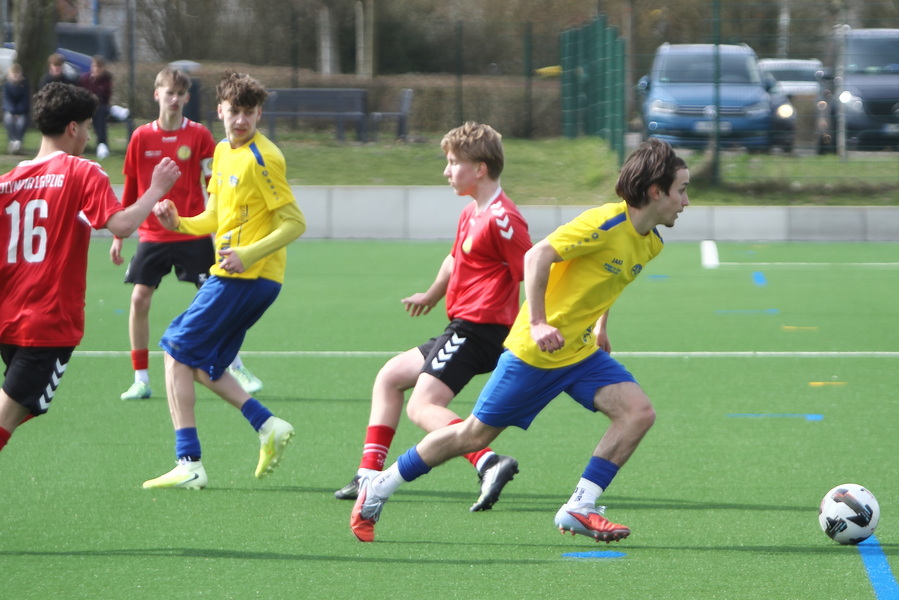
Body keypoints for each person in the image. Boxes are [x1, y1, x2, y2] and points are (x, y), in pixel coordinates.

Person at [350, 138, 690, 543]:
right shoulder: (604, 222)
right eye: (682, 190)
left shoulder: (650, 242)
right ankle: (379, 485)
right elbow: (536, 256)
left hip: (578, 354)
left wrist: (601, 325)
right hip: (536, 353)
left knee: (638, 412)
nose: (686, 201)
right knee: (472, 436)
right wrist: (539, 322)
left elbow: (606, 283)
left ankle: (580, 506)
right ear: (656, 191)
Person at [334, 122, 532, 511]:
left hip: (480, 329)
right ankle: (368, 473)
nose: (447, 171)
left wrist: (541, 321)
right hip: (464, 326)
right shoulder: (472, 212)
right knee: (390, 376)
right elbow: (455, 259)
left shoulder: (503, 218)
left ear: (480, 169)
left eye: (454, 162)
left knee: (421, 407)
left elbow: (534, 267)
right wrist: (431, 294)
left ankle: (488, 461)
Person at [142, 70, 306, 490]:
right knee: (201, 364)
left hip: (248, 276)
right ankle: (267, 425)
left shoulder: (263, 158)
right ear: (220, 110)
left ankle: (189, 462)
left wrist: (248, 254)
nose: (241, 120)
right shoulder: (220, 151)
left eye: (249, 112)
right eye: (235, 111)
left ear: (259, 113)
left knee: (175, 348)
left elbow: (294, 223)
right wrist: (178, 223)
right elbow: (215, 216)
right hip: (237, 275)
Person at [0, 82, 181, 453]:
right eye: (86, 127)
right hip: (47, 324)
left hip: (8, 321)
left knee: (19, 410)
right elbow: (122, 225)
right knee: (7, 418)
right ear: (72, 128)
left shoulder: (7, 181)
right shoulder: (81, 171)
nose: (87, 135)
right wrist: (156, 188)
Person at [110, 67, 263, 401]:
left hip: (192, 232)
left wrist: (223, 229)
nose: (175, 99)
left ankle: (236, 365)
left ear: (187, 98)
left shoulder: (199, 135)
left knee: (217, 300)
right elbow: (132, 186)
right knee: (139, 299)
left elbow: (215, 186)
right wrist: (120, 234)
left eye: (180, 94)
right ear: (157, 95)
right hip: (153, 235)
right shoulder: (141, 137)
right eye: (169, 93)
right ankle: (140, 378)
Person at [78, 55, 112, 159]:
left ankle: (102, 144)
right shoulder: (84, 79)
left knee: (99, 112)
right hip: (85, 106)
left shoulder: (106, 80)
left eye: (99, 67)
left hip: (101, 107)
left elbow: (105, 98)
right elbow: (80, 94)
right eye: (94, 66)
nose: (96, 69)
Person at [2, 63, 29, 154]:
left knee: (21, 122)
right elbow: (7, 101)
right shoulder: (6, 86)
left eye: (17, 75)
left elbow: (25, 100)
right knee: (8, 119)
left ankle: (18, 141)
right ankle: (12, 140)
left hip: (21, 111)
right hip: (10, 111)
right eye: (14, 75)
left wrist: (18, 112)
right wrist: (13, 111)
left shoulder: (25, 85)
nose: (16, 77)